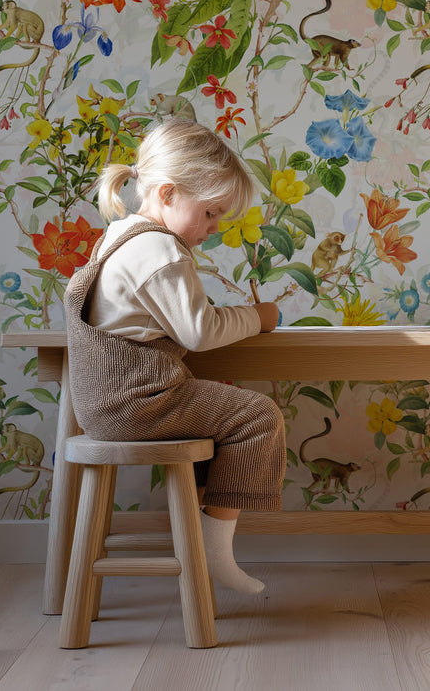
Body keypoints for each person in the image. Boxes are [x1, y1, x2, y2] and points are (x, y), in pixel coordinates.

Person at [64, 118, 285, 595]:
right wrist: (258, 317)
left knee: (224, 418)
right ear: (167, 194)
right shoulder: (161, 250)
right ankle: (213, 550)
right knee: (258, 417)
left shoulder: (119, 236)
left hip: (105, 405)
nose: (213, 228)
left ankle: (205, 536)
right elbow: (200, 331)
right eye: (210, 213)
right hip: (140, 402)